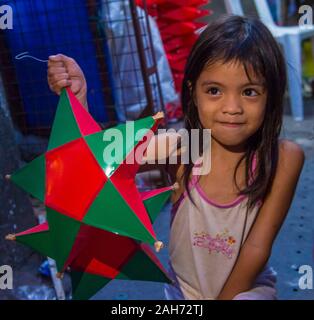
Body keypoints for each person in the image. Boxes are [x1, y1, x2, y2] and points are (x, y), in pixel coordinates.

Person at [47, 15, 305, 300]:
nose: (232, 107)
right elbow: (99, 158)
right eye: (214, 91)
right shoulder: (185, 147)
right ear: (194, 93)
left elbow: (257, 247)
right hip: (182, 295)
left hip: (247, 291)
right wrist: (78, 101)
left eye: (249, 92)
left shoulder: (283, 157)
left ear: (271, 95)